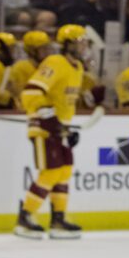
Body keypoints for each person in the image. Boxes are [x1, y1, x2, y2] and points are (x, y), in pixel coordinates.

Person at [14, 24, 92, 240]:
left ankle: (58, 220)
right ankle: (25, 217)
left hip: (60, 129)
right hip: (44, 127)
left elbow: (65, 104)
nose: (84, 46)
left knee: (65, 170)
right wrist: (47, 114)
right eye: (80, 42)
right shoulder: (55, 62)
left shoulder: (77, 68)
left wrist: (67, 128)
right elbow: (31, 92)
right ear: (68, 44)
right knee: (50, 171)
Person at [10, 30, 53, 104]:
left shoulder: (49, 67)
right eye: (43, 48)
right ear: (32, 51)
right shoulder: (20, 68)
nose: (47, 52)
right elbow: (21, 95)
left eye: (47, 48)